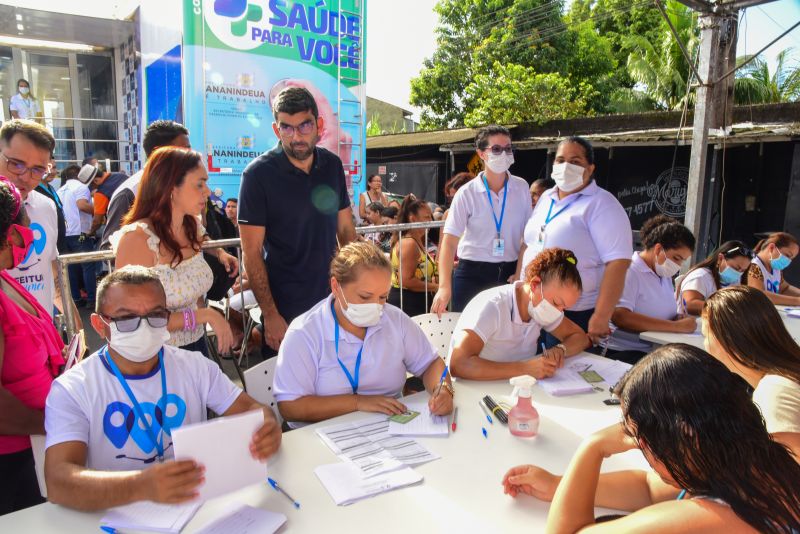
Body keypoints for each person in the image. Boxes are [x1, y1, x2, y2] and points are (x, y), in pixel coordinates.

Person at [43, 266, 281, 511]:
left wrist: (267, 424)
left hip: (195, 508)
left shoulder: (195, 366)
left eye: (156, 315)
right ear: (99, 325)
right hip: (114, 516)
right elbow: (59, 481)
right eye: (126, 319)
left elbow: (252, 410)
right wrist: (141, 486)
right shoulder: (73, 389)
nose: (144, 328)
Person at [502, 343, 800, 533]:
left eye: (643, 442)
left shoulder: (706, 521)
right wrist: (557, 484)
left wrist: (592, 447)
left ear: (686, 437)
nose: (641, 450)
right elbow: (647, 488)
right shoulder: (776, 447)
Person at [273, 242, 454, 428]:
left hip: (387, 430)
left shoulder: (395, 320)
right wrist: (358, 402)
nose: (376, 305)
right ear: (336, 287)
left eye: (383, 297)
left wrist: (443, 390)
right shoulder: (304, 333)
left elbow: (430, 363)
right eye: (365, 297)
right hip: (320, 435)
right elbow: (290, 406)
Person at [238, 86, 356, 355]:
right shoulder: (257, 176)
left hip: (332, 301)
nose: (296, 137)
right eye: (287, 128)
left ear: (319, 125)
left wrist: (354, 286)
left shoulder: (332, 166)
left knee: (336, 383)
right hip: (284, 308)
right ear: (276, 129)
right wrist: (270, 314)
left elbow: (347, 231)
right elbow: (252, 253)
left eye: (304, 126)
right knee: (290, 394)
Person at [111, 147, 238, 356]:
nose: (207, 191)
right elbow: (134, 318)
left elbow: (204, 240)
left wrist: (221, 253)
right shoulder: (137, 239)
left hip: (196, 347)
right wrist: (205, 316)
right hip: (155, 357)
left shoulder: (191, 226)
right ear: (171, 187)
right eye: (199, 184)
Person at [521, 136, 632, 347]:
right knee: (531, 368)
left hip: (571, 311)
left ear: (590, 169)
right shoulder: (546, 198)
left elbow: (618, 262)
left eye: (575, 162)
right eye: (561, 160)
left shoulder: (602, 204)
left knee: (562, 373)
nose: (566, 166)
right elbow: (529, 244)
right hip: (532, 304)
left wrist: (601, 314)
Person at [0, 177, 65, 515]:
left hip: (28, 451)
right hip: (9, 463)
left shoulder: (5, 276)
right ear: (12, 233)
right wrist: (50, 423)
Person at [431, 126, 532, 314]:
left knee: (504, 336)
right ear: (481, 153)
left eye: (508, 148)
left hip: (509, 273)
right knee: (469, 337)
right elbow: (449, 242)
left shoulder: (521, 187)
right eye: (496, 149)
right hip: (472, 274)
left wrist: (519, 273)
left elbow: (527, 238)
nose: (503, 153)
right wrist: (444, 287)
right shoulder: (466, 193)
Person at [450, 248, 590, 381]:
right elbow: (459, 364)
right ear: (535, 284)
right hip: (475, 392)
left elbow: (580, 338)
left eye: (564, 308)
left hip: (514, 390)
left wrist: (561, 349)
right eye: (556, 303)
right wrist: (524, 369)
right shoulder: (493, 306)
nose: (558, 312)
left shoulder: (542, 307)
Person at [702, 286, 800, 459]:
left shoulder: (773, 392)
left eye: (705, 335)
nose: (704, 345)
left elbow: (787, 475)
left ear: (728, 340)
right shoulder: (780, 378)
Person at [605, 215, 697, 364]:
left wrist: (675, 318)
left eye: (682, 260)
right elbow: (620, 316)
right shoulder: (629, 271)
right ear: (659, 249)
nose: (678, 265)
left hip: (654, 351)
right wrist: (675, 327)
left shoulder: (663, 273)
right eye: (677, 258)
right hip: (624, 353)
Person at [0, 120, 68, 319]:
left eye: (37, 169)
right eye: (15, 164)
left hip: (40, 336)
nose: (25, 176)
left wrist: (75, 324)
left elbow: (52, 272)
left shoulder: (47, 206)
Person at [101, 120, 191, 249]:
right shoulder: (129, 193)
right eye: (184, 150)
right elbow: (109, 249)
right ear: (158, 152)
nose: (189, 156)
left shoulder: (180, 185)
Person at [388, 196, 438, 317]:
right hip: (408, 303)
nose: (430, 221)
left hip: (415, 301)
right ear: (412, 219)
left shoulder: (416, 240)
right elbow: (406, 280)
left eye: (430, 217)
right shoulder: (409, 243)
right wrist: (437, 287)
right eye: (426, 217)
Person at [676, 240, 753, 315]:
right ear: (720, 259)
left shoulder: (736, 280)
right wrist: (724, 307)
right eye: (736, 268)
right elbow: (689, 305)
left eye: (743, 270)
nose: (738, 273)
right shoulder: (701, 276)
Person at [57, 164, 97, 309]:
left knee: (71, 267)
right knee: (88, 266)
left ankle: (76, 298)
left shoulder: (60, 190)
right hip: (80, 232)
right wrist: (99, 212)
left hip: (65, 233)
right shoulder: (81, 187)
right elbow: (82, 205)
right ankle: (92, 299)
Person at [747, 232, 800, 305]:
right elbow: (759, 295)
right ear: (771, 248)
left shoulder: (776, 269)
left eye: (791, 258)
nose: (788, 261)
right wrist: (796, 301)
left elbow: (785, 288)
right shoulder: (753, 265)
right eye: (787, 255)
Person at [34, 157, 67, 254]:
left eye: (54, 168)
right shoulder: (34, 190)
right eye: (48, 168)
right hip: (46, 245)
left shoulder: (51, 188)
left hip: (59, 242)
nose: (52, 172)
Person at [87, 164, 127, 237]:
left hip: (121, 227)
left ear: (96, 180)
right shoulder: (121, 176)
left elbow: (97, 221)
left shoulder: (100, 193)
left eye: (91, 186)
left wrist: (90, 232)